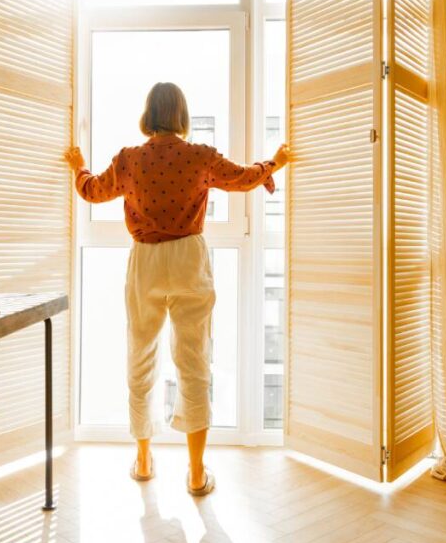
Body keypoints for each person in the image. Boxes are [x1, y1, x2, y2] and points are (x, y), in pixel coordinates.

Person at [64, 81, 291, 496]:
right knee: (194, 360)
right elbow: (242, 179)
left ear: (148, 115)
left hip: (146, 261)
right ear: (182, 116)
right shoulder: (199, 156)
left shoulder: (130, 159)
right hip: (189, 259)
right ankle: (196, 472)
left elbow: (93, 191)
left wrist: (78, 165)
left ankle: (145, 460)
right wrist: (273, 164)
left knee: (141, 355)